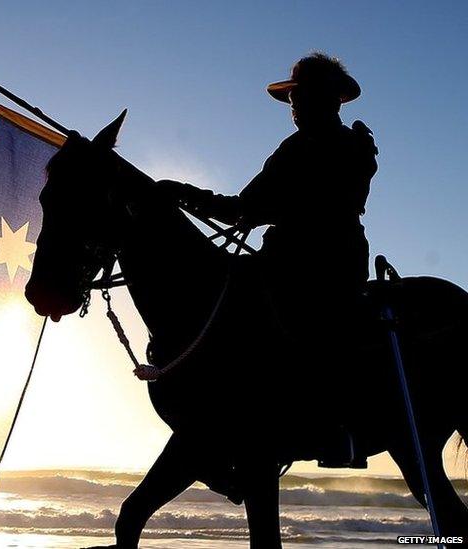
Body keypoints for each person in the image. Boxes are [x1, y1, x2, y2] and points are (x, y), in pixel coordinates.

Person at [158, 52, 379, 467]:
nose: (294, 106)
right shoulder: (293, 147)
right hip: (284, 256)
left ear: (328, 100)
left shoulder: (351, 146)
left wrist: (262, 209)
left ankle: (334, 429)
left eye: (302, 96)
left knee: (308, 323)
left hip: (327, 261)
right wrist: (182, 193)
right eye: (294, 98)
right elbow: (244, 207)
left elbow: (324, 200)